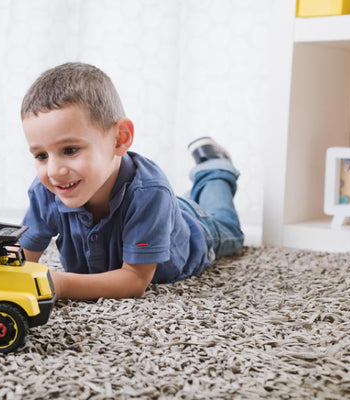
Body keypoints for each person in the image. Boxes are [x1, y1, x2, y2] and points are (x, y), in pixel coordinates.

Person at [17, 62, 244, 300]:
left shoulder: (149, 193)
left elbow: (134, 280)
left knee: (227, 227)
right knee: (170, 202)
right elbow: (20, 258)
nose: (54, 171)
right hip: (161, 206)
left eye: (70, 150)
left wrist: (59, 284)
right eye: (41, 155)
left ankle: (213, 167)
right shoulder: (46, 191)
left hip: (199, 231)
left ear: (119, 139)